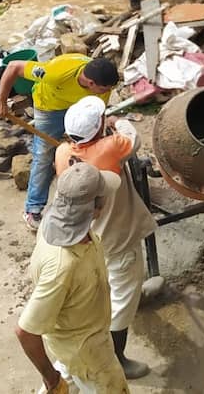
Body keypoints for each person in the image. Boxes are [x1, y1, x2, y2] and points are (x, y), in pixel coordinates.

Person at [55, 96, 157, 380]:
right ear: (98, 128)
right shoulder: (111, 147)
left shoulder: (62, 152)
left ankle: (136, 295)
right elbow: (133, 138)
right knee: (121, 296)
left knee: (106, 282)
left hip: (87, 235)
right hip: (116, 237)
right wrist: (118, 121)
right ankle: (116, 359)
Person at [15, 161, 129, 394]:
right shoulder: (63, 267)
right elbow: (25, 332)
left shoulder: (56, 224)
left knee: (71, 372)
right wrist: (51, 379)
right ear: (94, 209)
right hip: (88, 352)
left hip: (71, 340)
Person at [0, 54, 119, 231]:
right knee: (43, 155)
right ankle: (33, 208)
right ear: (91, 83)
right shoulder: (56, 72)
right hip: (49, 108)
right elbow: (14, 66)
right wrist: (1, 100)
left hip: (81, 108)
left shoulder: (102, 83)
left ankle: (93, 199)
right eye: (104, 89)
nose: (107, 92)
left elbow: (99, 112)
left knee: (91, 148)